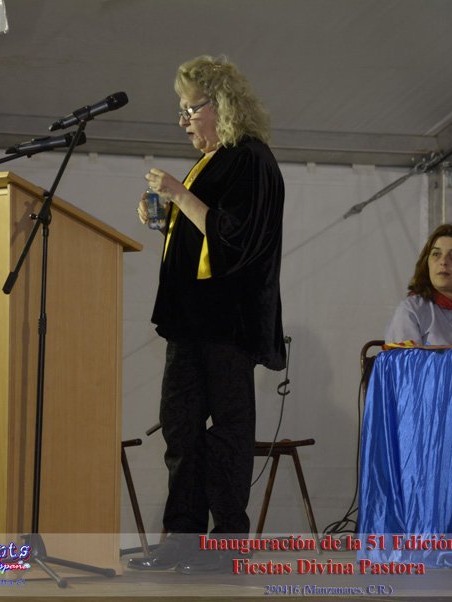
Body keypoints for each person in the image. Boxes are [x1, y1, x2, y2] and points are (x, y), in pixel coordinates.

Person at [128, 55, 285, 574]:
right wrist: (164, 217)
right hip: (189, 323)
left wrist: (178, 193)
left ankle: (228, 543)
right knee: (181, 432)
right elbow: (199, 235)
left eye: (190, 109)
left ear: (222, 105)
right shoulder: (211, 161)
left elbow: (234, 239)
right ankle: (182, 539)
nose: (184, 121)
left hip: (227, 323)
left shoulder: (251, 159)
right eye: (182, 111)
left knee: (228, 433)